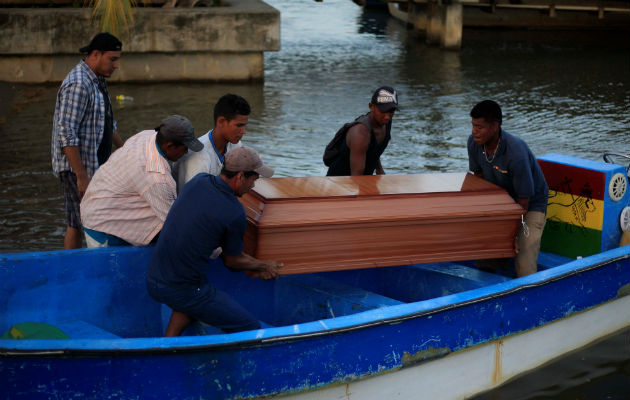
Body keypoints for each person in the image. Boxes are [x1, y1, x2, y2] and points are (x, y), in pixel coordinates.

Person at [146, 146, 283, 336]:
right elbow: (232, 262)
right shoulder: (234, 212)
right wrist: (264, 266)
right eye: (254, 179)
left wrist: (257, 266)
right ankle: (222, 364)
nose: (253, 186)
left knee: (191, 301)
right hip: (183, 288)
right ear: (241, 176)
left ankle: (167, 346)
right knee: (249, 327)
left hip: (154, 278)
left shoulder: (198, 181)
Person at [80, 115, 203, 247]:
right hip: (103, 225)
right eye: (184, 148)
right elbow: (176, 224)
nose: (186, 153)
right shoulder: (156, 178)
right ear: (169, 146)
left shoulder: (147, 135)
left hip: (99, 198)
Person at [51, 32, 125, 249]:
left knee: (93, 218)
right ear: (96, 54)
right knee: (76, 222)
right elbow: (66, 133)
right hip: (78, 168)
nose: (116, 65)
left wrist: (126, 149)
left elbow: (106, 123)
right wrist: (81, 176)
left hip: (95, 165)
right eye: (112, 59)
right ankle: (70, 270)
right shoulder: (79, 84)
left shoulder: (97, 81)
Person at [467, 100, 548, 277]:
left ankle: (527, 290)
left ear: (494, 127)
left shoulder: (515, 153)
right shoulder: (473, 144)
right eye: (473, 126)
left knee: (524, 264)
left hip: (529, 205)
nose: (474, 132)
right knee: (485, 257)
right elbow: (479, 178)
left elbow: (524, 200)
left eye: (479, 127)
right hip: (500, 202)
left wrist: (509, 235)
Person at [173, 93, 250, 192]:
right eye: (239, 125)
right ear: (221, 121)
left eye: (245, 126)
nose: (244, 131)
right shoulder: (199, 157)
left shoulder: (235, 145)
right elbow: (194, 199)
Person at [324, 86, 398, 176]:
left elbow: (374, 149)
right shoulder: (360, 134)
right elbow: (357, 179)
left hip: (363, 179)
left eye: (391, 111)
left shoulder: (385, 122)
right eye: (383, 111)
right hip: (340, 184)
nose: (387, 116)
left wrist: (380, 171)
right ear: (371, 107)